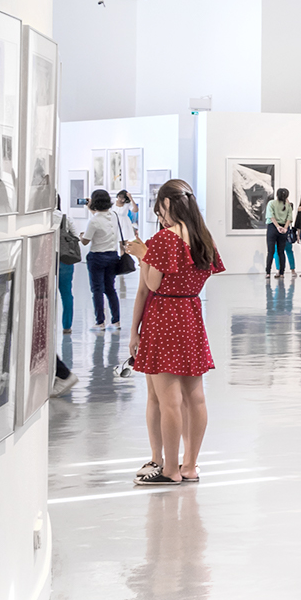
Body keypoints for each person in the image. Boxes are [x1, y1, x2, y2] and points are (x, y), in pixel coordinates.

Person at [125, 179, 225, 485]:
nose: (160, 216)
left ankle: (169, 469)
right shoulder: (202, 237)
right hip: (191, 316)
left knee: (165, 398)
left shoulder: (164, 240)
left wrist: (143, 255)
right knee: (195, 396)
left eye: (160, 209)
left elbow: (152, 285)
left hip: (164, 316)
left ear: (167, 203)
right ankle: (189, 465)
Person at [83, 188, 124, 331]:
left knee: (97, 290)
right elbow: (102, 217)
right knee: (110, 289)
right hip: (112, 256)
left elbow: (85, 241)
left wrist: (80, 236)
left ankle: (100, 321)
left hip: (97, 257)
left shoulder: (93, 221)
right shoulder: (113, 216)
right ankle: (116, 320)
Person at [56, 210, 82, 335]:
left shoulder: (42, 217)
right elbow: (76, 237)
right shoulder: (66, 218)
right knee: (66, 294)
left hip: (45, 260)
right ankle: (67, 326)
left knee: (43, 295)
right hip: (64, 260)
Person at [264, 187, 297, 278]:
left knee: (271, 251)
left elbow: (271, 216)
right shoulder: (288, 206)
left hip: (272, 228)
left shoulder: (271, 203)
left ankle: (268, 273)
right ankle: (282, 273)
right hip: (283, 229)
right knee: (281, 252)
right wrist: (285, 228)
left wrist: (277, 226)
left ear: (276, 195)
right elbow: (289, 219)